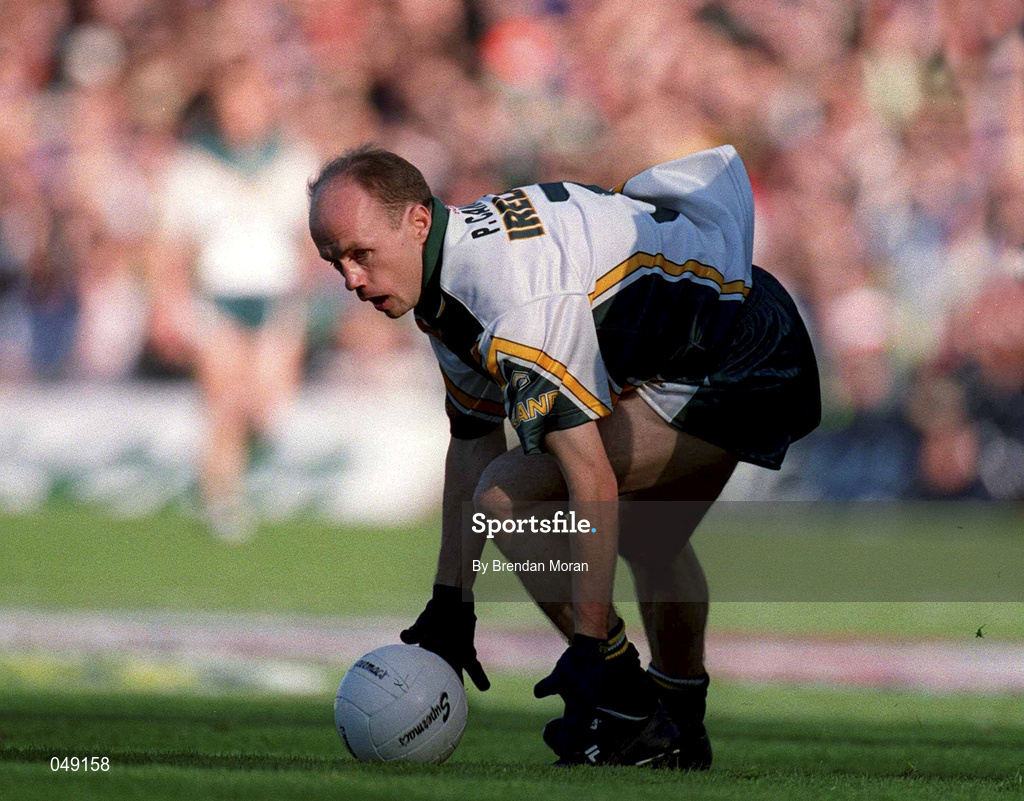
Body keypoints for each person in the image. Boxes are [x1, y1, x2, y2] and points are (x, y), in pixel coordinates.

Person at [307, 145, 820, 766]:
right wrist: (451, 601)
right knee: (650, 538)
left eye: (362, 254)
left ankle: (628, 703)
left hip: (738, 357)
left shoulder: (508, 298)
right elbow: (471, 442)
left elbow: (589, 482)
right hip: (723, 326)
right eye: (335, 261)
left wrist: (589, 652)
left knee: (508, 495)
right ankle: (677, 725)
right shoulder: (448, 279)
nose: (351, 280)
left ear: (418, 221)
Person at [150, 60, 317, 541]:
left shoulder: (293, 161)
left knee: (265, 405)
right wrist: (167, 303)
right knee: (222, 401)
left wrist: (306, 301)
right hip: (217, 295)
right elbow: (171, 244)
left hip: (276, 296)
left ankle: (240, 474)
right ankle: (220, 497)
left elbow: (310, 238)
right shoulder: (193, 165)